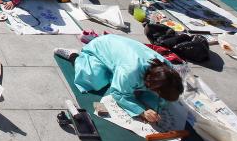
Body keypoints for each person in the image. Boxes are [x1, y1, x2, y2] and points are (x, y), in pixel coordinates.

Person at [54, 35, 183, 120]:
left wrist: (157, 105)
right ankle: (74, 56)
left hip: (122, 52)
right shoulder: (131, 71)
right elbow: (119, 94)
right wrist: (142, 112)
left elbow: (164, 91)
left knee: (144, 94)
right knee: (93, 79)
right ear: (152, 84)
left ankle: (114, 74)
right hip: (101, 46)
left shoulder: (168, 69)